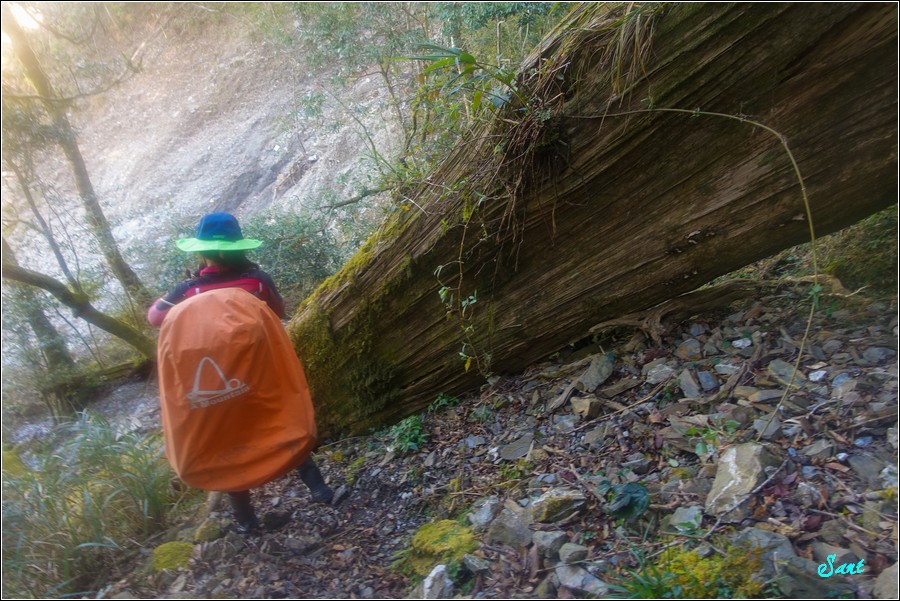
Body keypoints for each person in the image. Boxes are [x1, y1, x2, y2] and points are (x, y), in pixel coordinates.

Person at [149, 212, 333, 533]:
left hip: (214, 383)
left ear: (204, 252)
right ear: (238, 248)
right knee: (282, 421)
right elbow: (278, 311)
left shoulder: (188, 290)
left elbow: (154, 317)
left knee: (227, 440)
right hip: (258, 374)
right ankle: (321, 491)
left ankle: (247, 523)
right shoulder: (257, 281)